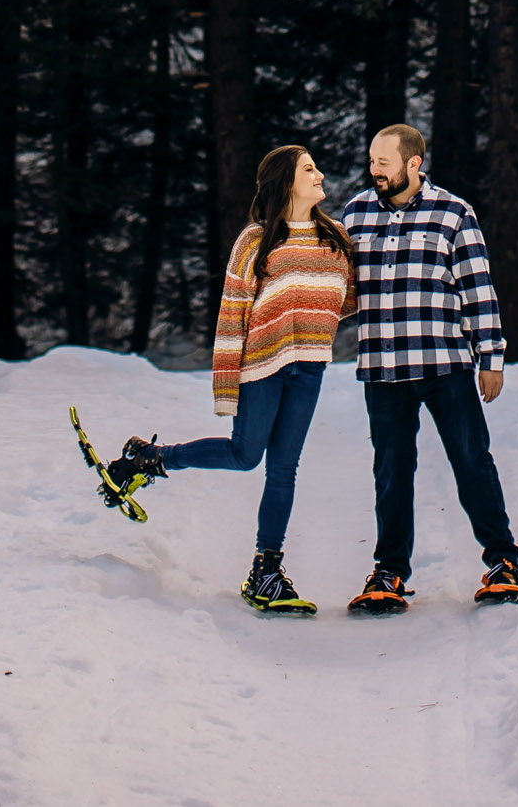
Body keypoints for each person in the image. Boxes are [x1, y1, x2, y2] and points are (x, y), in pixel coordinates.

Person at [100, 143, 356, 614]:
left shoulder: (336, 238)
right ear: (285, 181)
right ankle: (149, 459)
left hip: (311, 367)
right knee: (244, 456)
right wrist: (226, 385)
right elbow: (232, 314)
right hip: (262, 364)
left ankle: (267, 571)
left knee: (284, 469)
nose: (320, 174)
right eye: (309, 169)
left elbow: (349, 298)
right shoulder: (254, 241)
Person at [342, 122, 518, 610]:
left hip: (444, 365)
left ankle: (502, 561)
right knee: (391, 472)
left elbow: (477, 290)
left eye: (383, 163)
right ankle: (388, 573)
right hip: (383, 370)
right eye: (371, 162)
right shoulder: (355, 214)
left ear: (414, 163)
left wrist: (490, 357)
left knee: (471, 461)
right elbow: (340, 290)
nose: (374, 171)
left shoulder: (453, 213)